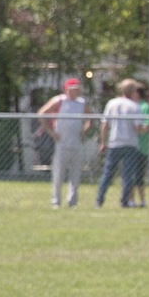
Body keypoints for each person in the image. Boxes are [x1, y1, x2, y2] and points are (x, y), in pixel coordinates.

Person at [39, 77, 90, 208]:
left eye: (78, 89)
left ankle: (73, 202)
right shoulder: (59, 101)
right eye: (74, 89)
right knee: (58, 174)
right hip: (62, 143)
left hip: (76, 143)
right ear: (67, 90)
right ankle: (56, 201)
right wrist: (51, 132)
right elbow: (42, 113)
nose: (77, 91)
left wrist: (84, 130)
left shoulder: (81, 103)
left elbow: (90, 117)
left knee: (75, 174)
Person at [96, 79, 145, 208]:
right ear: (133, 91)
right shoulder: (135, 106)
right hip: (130, 144)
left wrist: (103, 141)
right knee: (127, 174)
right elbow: (137, 128)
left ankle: (99, 200)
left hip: (114, 142)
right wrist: (145, 128)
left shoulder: (111, 103)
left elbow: (105, 124)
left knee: (107, 173)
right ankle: (124, 201)